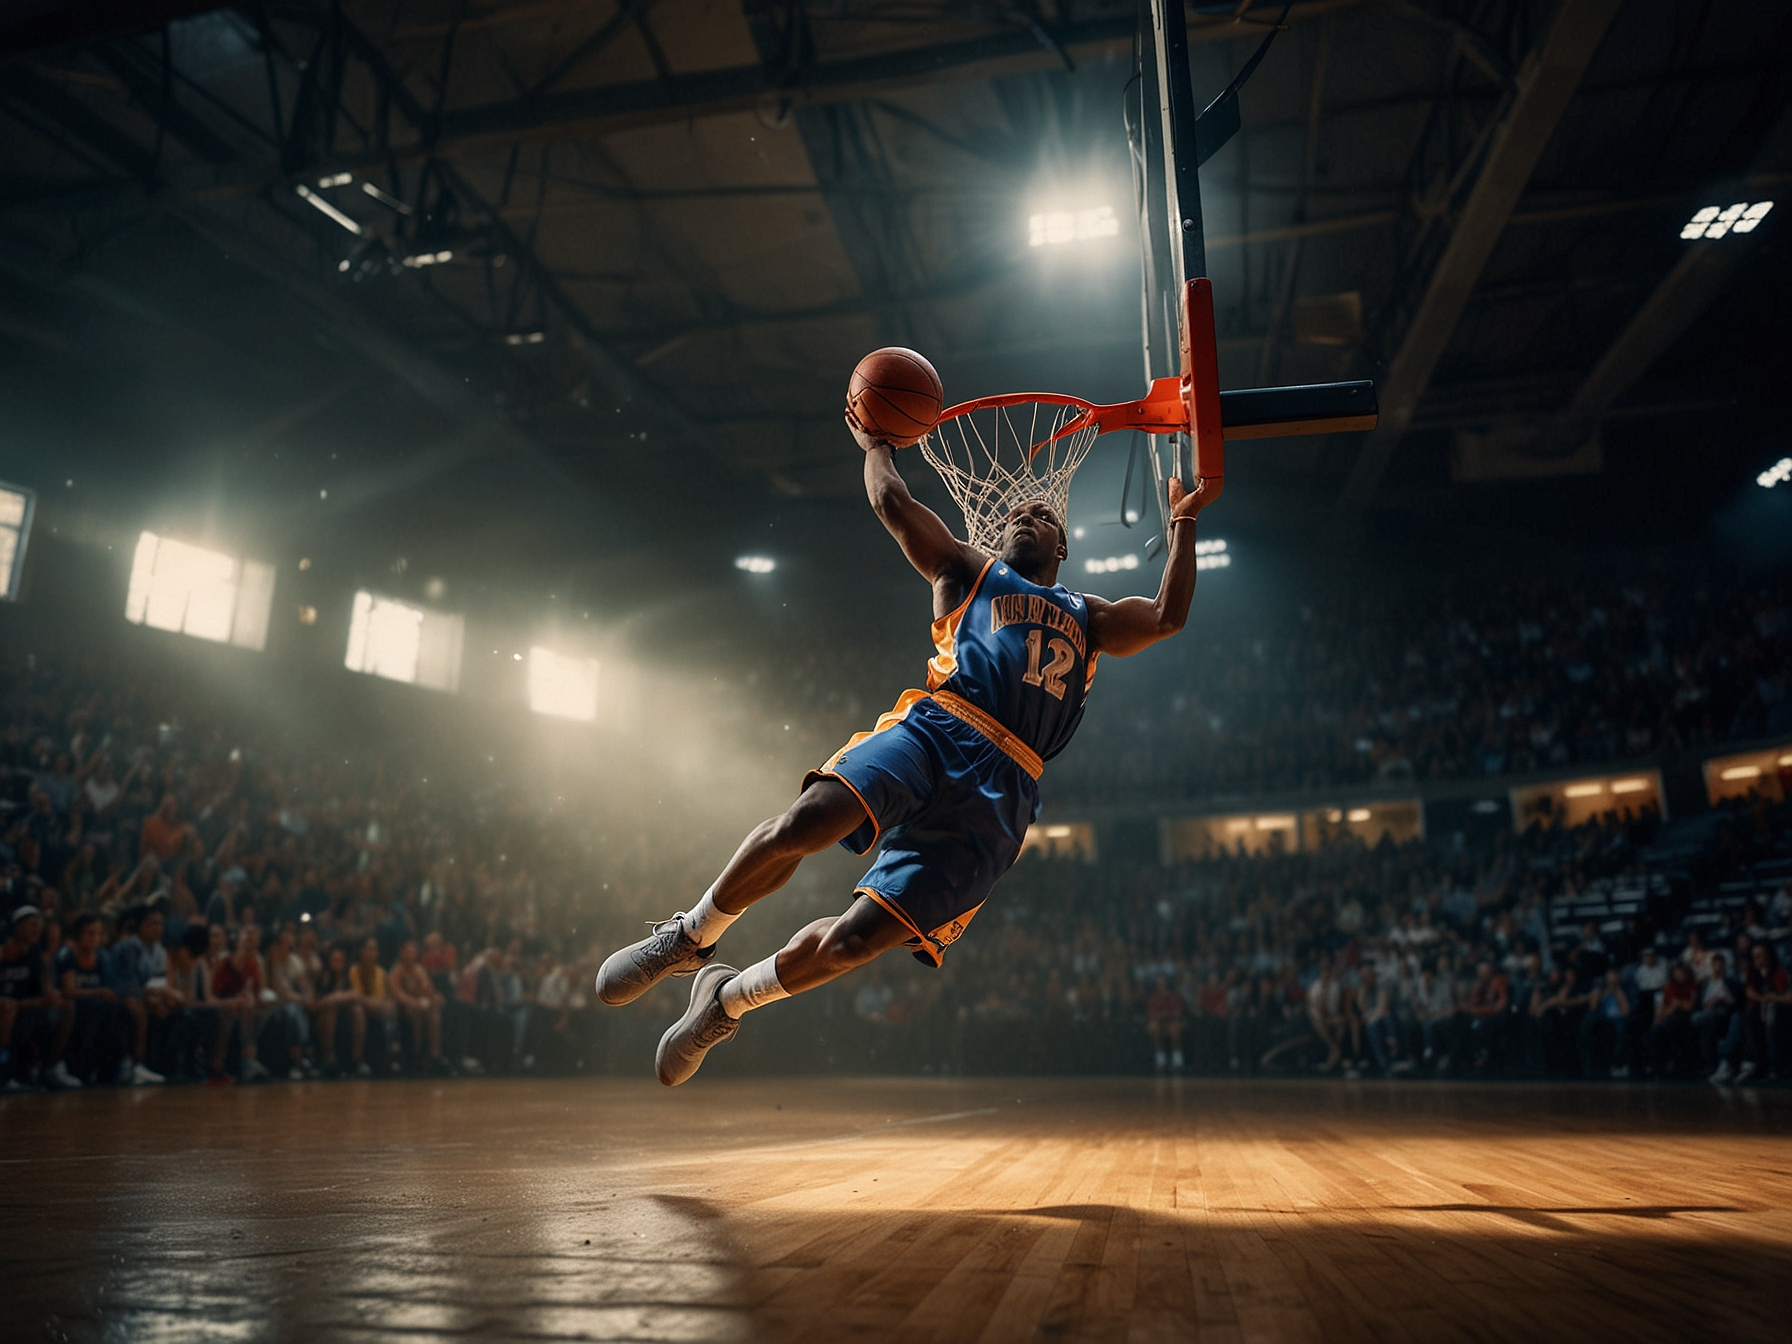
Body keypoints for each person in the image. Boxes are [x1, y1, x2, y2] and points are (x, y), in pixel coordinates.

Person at [595, 415, 1221, 1085]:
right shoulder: (968, 571)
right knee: (807, 821)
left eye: (1039, 514)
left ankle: (726, 999)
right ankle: (690, 935)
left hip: (1007, 789)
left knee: (857, 941)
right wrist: (877, 443)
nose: (1021, 516)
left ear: (1062, 543)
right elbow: (893, 504)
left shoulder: (1088, 616)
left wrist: (1183, 524)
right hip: (940, 726)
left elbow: (1166, 617)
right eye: (1013, 512)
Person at [1, 906, 73, 1089]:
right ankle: (4, 1070)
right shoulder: (3, 950)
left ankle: (50, 1067)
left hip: (25, 1005)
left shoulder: (34, 953)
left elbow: (44, 986)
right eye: (32, 925)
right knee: (8, 1009)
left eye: (39, 925)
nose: (37, 929)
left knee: (66, 1007)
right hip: (7, 1006)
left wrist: (52, 993)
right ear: (17, 927)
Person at [388, 939, 447, 1073]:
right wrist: (412, 1002)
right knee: (415, 1013)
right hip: (404, 1008)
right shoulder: (397, 971)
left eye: (413, 952)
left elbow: (429, 989)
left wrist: (434, 997)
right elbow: (396, 992)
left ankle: (435, 1054)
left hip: (421, 1006)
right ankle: (416, 1053)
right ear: (402, 953)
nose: (411, 955)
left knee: (434, 1015)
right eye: (408, 952)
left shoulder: (420, 970)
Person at [1144, 974, 1186, 1073]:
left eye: (1163, 983)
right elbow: (1151, 1014)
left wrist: (1167, 1015)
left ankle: (1177, 1062)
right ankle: (1161, 1062)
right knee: (1156, 1029)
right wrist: (1160, 1016)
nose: (1161, 985)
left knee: (1175, 1030)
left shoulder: (1173, 996)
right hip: (1159, 1023)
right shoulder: (1153, 998)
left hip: (1171, 1022)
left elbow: (1177, 1012)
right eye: (1159, 984)